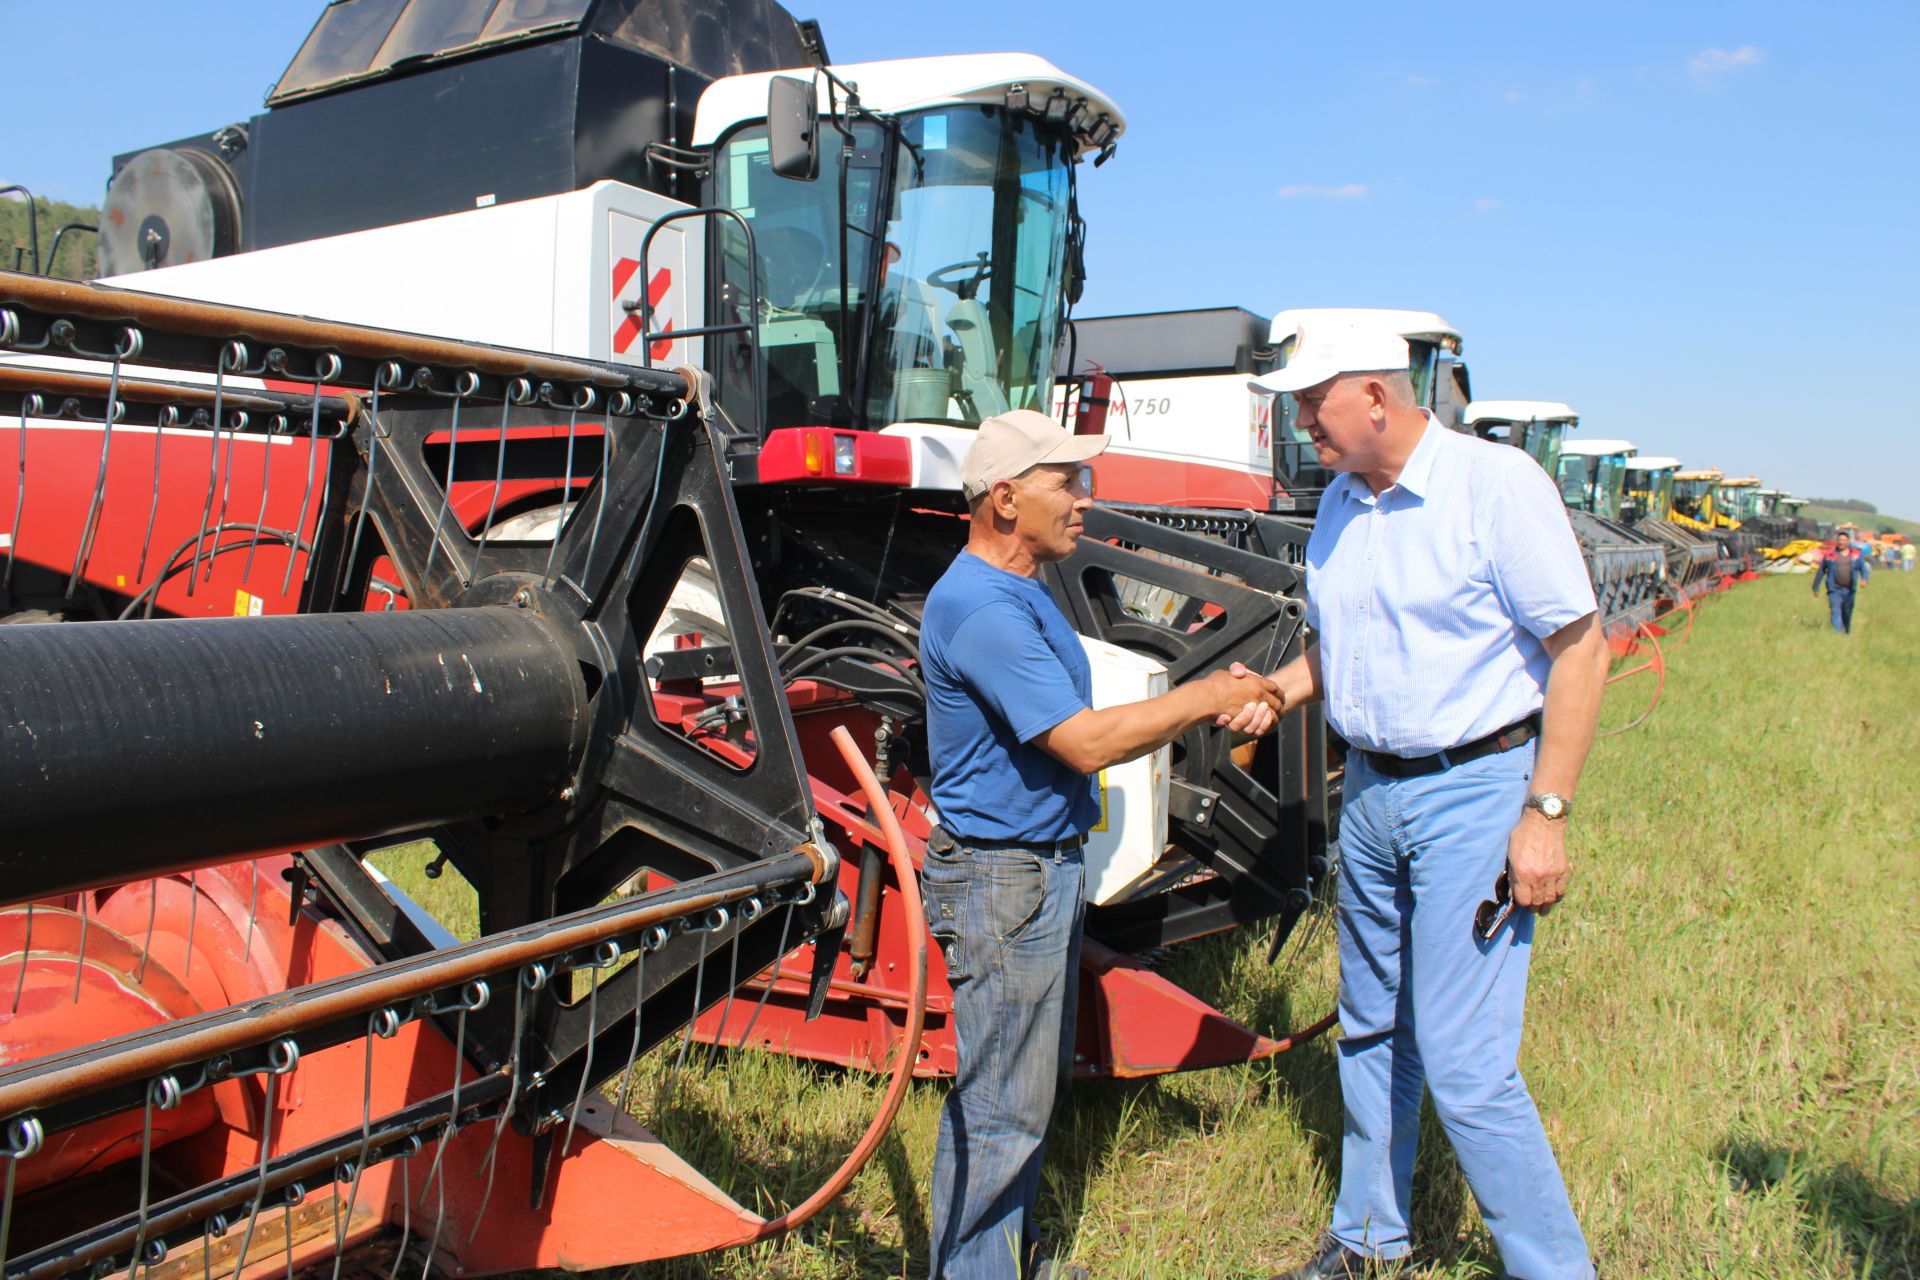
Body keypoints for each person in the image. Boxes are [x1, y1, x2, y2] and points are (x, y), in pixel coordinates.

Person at [1251, 319, 1611, 1280]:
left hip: (1474, 791)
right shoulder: (1339, 503)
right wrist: (1285, 690)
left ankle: (1553, 1269)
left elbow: (1580, 649)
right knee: (1370, 1021)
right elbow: (1354, 645)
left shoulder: (1494, 488)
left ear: (1375, 395)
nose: (1299, 422)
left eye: (1310, 401)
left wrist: (1545, 814)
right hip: (1370, 792)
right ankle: (1369, 1237)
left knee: (1464, 1063)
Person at [919, 408, 1282, 1280]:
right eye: (1066, 482)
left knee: (1022, 1096)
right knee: (1002, 1106)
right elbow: (1080, 742)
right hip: (1007, 880)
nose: (1086, 499)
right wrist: (1201, 699)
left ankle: (1005, 1259)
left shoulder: (1020, 586)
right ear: (1005, 499)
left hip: (1034, 872)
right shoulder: (982, 608)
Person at [1810, 530, 1868, 634]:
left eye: (1844, 540)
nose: (1841, 542)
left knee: (1847, 612)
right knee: (1835, 610)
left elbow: (1863, 568)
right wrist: (1815, 587)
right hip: (1834, 589)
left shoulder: (1856, 554)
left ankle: (1847, 630)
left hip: (1850, 590)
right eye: (1840, 540)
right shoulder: (1830, 555)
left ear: (1848, 541)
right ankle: (1838, 633)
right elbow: (1821, 571)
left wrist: (1864, 579)